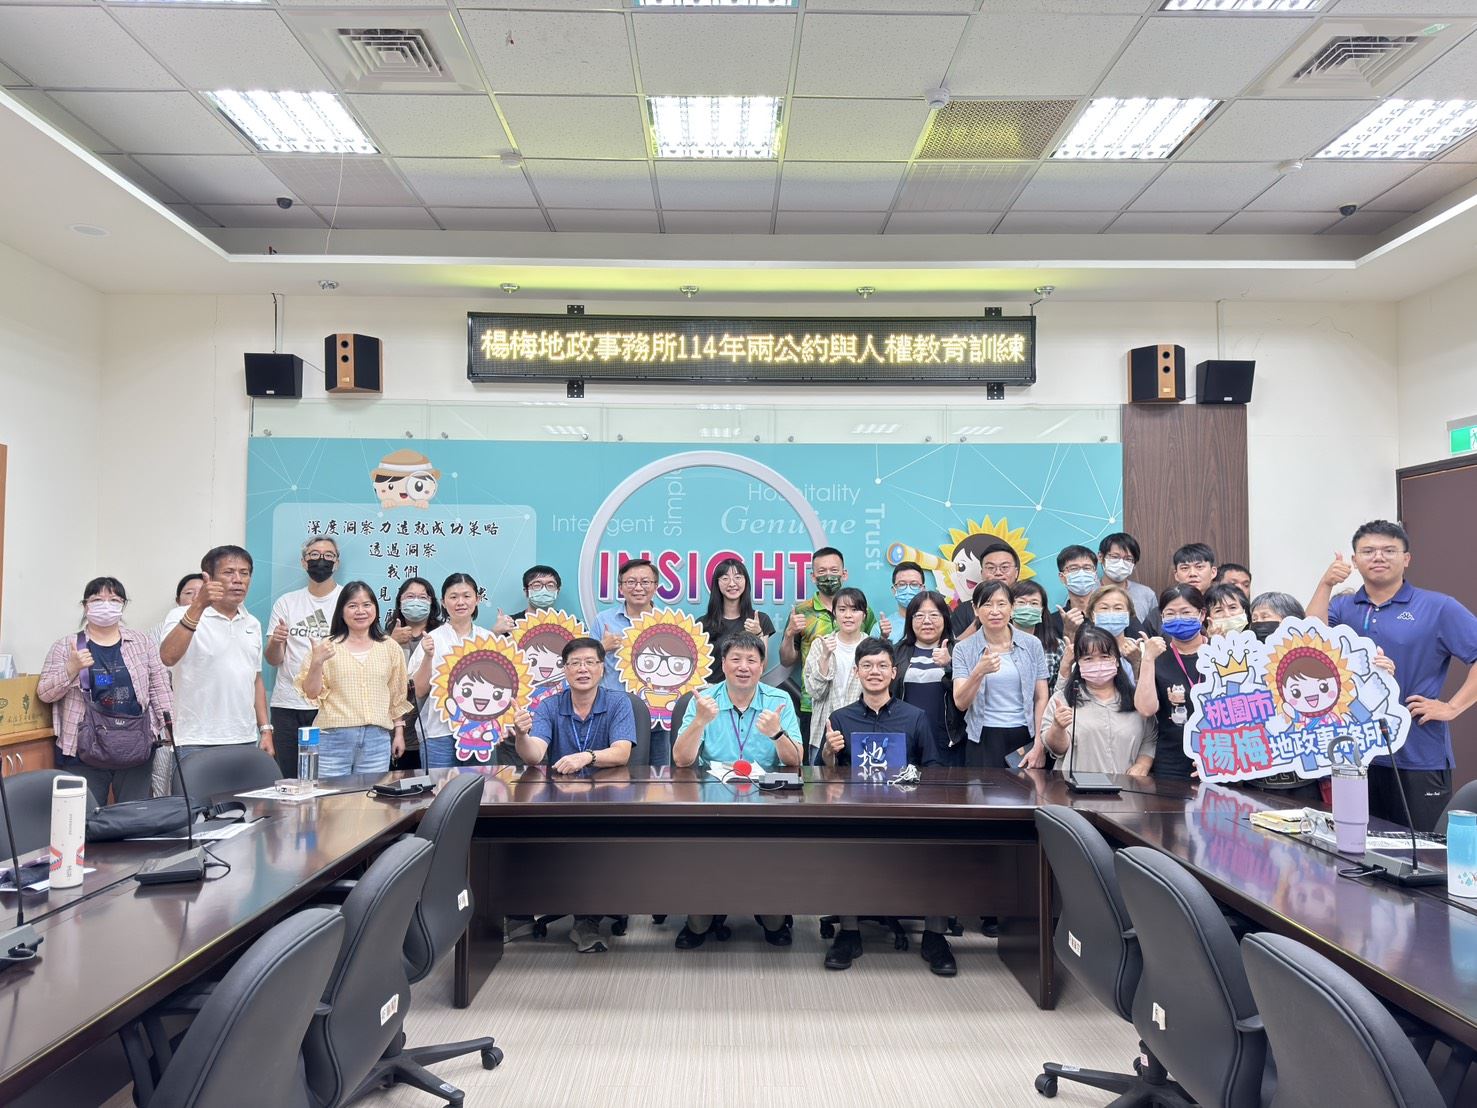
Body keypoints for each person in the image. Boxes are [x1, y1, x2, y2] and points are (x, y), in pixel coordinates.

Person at [1309, 520, 1477, 830]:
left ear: (1406, 559)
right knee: (1357, 844)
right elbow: (1309, 643)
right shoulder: (1343, 607)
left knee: (1423, 850)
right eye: (1368, 551)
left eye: (1389, 550)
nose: (1378, 557)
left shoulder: (1438, 607)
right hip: (1355, 753)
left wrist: (1452, 707)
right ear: (1355, 560)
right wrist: (1325, 584)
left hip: (1418, 753)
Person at [819, 637, 956, 975]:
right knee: (838, 845)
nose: (874, 671)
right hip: (856, 816)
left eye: (882, 665)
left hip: (907, 814)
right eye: (867, 665)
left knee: (939, 847)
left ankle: (935, 936)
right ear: (856, 671)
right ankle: (848, 932)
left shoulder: (915, 717)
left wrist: (910, 783)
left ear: (894, 672)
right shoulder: (840, 718)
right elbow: (824, 775)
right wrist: (829, 753)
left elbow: (934, 768)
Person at [673, 631, 801, 949]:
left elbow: (796, 760)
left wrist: (777, 734)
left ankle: (770, 911)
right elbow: (682, 761)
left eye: (751, 660)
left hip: (767, 801)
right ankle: (702, 913)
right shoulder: (703, 701)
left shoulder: (779, 700)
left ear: (762, 666)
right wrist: (699, 722)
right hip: (711, 800)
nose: (744, 667)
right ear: (723, 664)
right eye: (736, 659)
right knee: (704, 854)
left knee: (770, 852)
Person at [509, 636, 635, 954]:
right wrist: (522, 735)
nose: (583, 669)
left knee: (594, 841)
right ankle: (518, 909)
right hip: (559, 800)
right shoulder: (549, 705)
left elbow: (622, 752)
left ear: (602, 668)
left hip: (606, 799)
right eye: (575, 663)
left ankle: (587, 920)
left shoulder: (619, 702)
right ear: (564, 669)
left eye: (590, 662)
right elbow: (534, 754)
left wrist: (586, 757)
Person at [39, 577, 172, 803]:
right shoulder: (66, 646)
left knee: (134, 815)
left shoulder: (142, 643)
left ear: (123, 605)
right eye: (97, 599)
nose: (106, 605)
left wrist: (168, 730)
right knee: (83, 816)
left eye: (114, 600)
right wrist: (71, 668)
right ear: (85, 606)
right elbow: (45, 693)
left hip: (136, 745)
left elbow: (160, 688)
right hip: (82, 749)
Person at [159, 546, 272, 764]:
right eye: (228, 572)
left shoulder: (252, 623)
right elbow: (168, 657)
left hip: (245, 738)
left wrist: (265, 729)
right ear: (208, 578)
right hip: (195, 739)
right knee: (193, 790)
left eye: (244, 573)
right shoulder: (180, 615)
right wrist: (198, 605)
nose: (238, 580)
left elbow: (255, 678)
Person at [297, 582, 410, 778]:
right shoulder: (326, 647)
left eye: (367, 605)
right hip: (333, 739)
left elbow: (396, 695)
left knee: (370, 796)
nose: (360, 611)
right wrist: (317, 662)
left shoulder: (390, 647)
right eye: (352, 606)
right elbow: (311, 693)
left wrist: (399, 733)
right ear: (341, 611)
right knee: (331, 797)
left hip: (376, 741)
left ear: (375, 609)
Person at [263, 536, 343, 779]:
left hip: (330, 704)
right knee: (289, 777)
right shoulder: (286, 602)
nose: (321, 560)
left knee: (327, 779)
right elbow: (273, 659)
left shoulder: (347, 601)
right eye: (314, 555)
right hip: (287, 704)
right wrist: (276, 641)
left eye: (328, 555)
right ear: (303, 561)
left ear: (337, 563)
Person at [779, 547, 879, 733]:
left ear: (844, 574)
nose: (828, 576)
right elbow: (786, 661)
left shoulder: (863, 611)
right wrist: (789, 634)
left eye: (834, 570)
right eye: (822, 571)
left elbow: (873, 652)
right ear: (813, 577)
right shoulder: (801, 612)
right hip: (814, 702)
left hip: (858, 704)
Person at [951, 581, 1049, 769]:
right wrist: (978, 672)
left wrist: (1039, 742)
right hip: (982, 737)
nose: (995, 611)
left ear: (1012, 608)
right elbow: (961, 703)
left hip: (1024, 735)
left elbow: (1041, 696)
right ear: (975, 609)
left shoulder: (1032, 644)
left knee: (1026, 788)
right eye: (987, 604)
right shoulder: (963, 649)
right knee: (981, 788)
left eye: (1001, 604)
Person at [1041, 625, 1154, 778]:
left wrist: (1143, 763)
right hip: (1077, 787)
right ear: (1078, 663)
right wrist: (1058, 727)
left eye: (1105, 656)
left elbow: (1150, 736)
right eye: (1088, 658)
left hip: (1127, 787)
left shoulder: (1136, 700)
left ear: (1117, 661)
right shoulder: (1063, 699)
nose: (1098, 664)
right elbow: (1056, 749)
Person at [408, 573, 491, 769]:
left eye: (466, 596)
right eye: (453, 597)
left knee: (475, 786)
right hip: (439, 733)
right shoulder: (432, 639)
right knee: (439, 786)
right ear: (443, 602)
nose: (460, 602)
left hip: (479, 732)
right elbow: (419, 691)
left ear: (477, 599)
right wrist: (428, 656)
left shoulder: (489, 640)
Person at [1134, 584, 1208, 781]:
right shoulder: (1157, 656)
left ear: (1201, 614)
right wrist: (1147, 659)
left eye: (1186, 612)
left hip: (1219, 755)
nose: (1178, 619)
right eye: (1170, 614)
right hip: (1171, 761)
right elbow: (1146, 709)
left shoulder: (1220, 654)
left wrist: (1213, 759)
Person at [892, 590, 966, 766]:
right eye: (919, 616)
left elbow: (968, 696)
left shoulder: (960, 651)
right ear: (910, 620)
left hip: (948, 739)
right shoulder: (896, 652)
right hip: (905, 737)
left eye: (934, 615)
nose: (927, 621)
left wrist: (950, 665)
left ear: (945, 618)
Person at [802, 587, 871, 758]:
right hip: (824, 732)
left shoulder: (873, 647)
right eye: (842, 609)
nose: (848, 615)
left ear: (864, 614)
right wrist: (825, 657)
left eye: (854, 609)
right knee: (821, 775)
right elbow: (815, 692)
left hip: (863, 731)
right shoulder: (820, 645)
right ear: (834, 613)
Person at [383, 577, 442, 770]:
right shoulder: (383, 637)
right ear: (400, 601)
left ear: (432, 602)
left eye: (422, 597)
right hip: (394, 729)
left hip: (432, 729)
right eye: (410, 596)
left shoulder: (442, 635)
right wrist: (391, 642)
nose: (416, 601)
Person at [698, 558, 775, 681]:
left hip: (744, 688)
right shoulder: (702, 624)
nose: (732, 583)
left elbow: (762, 667)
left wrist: (758, 634)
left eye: (738, 577)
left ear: (746, 581)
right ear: (717, 583)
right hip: (710, 689)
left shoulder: (760, 620)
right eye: (725, 578)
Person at [951, 540, 1020, 638]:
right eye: (991, 568)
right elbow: (954, 645)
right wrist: (979, 621)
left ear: (1016, 573)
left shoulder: (1029, 607)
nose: (998, 573)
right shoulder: (964, 610)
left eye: (1004, 567)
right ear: (982, 573)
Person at [1011, 580, 1064, 693]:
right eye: (1021, 602)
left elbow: (1060, 686)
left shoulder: (1056, 645)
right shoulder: (997, 643)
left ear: (1042, 609)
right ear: (1010, 607)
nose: (1028, 607)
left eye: (1034, 603)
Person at [1047, 545, 1102, 644]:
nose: (1081, 573)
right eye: (1073, 568)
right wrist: (1068, 632)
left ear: (1095, 575)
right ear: (1062, 577)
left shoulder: (1110, 613)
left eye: (1087, 568)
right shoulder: (1051, 622)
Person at [1098, 532, 1157, 623]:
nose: (1121, 563)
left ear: (1134, 564)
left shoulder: (1147, 594)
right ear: (1100, 557)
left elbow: (1154, 627)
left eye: (1128, 559)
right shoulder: (1088, 592)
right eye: (1115, 557)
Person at [151, 574, 204, 644]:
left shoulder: (216, 624)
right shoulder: (161, 629)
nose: (196, 598)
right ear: (178, 600)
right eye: (189, 593)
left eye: (203, 592)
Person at [887, 561, 927, 643]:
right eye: (902, 584)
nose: (908, 590)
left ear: (923, 589)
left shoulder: (934, 624)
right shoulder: (882, 628)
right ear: (894, 590)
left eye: (914, 584)